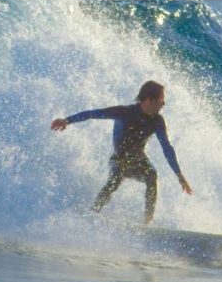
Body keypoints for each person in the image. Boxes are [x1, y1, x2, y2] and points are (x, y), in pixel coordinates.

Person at [51, 81, 192, 224]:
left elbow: (166, 147)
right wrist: (67, 120)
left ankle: (147, 222)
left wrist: (179, 175)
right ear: (149, 100)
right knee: (116, 178)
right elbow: (93, 114)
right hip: (119, 158)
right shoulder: (124, 112)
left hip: (138, 159)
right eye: (161, 100)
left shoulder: (157, 121)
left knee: (151, 175)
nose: (164, 104)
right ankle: (93, 213)